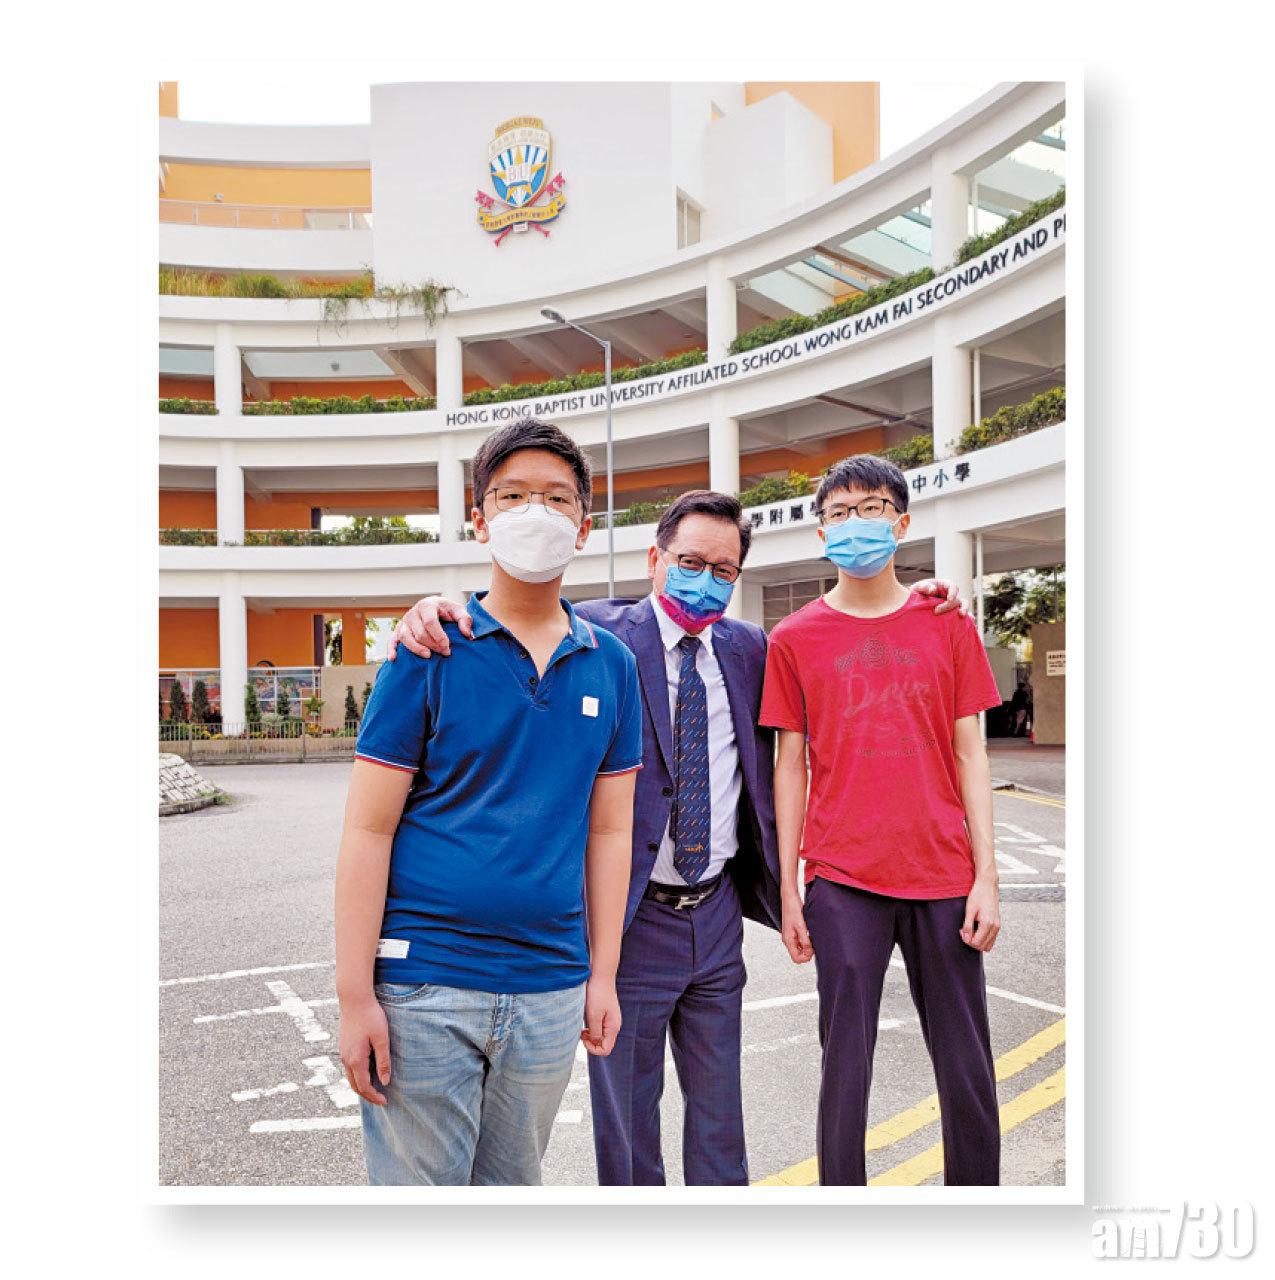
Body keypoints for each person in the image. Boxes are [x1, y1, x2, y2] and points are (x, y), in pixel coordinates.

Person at [388, 486, 967, 1185]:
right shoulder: (597, 635)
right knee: (630, 1125)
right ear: (654, 559)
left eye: (724, 571)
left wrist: (925, 594)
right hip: (633, 918)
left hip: (717, 914)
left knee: (721, 1120)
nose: (705, 581)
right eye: (690, 562)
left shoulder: (751, 648)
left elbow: (846, 642)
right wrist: (432, 609)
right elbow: (515, 616)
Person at [334, 419, 642, 1186]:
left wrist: (603, 974)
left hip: (550, 985)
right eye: (512, 496)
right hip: (423, 985)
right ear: (480, 520)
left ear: (584, 526)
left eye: (557, 498)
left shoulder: (612, 665)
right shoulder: (427, 650)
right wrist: (353, 996)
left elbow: (611, 833)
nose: (536, 512)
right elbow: (368, 829)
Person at [759, 453, 1005, 1186]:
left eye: (871, 509)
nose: (855, 523)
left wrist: (987, 876)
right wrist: (790, 887)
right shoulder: (793, 637)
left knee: (967, 1068)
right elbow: (789, 766)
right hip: (843, 879)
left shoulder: (945, 623)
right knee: (844, 1068)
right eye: (839, 512)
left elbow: (971, 753)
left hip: (943, 875)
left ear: (901, 524)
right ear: (820, 532)